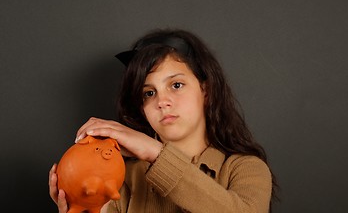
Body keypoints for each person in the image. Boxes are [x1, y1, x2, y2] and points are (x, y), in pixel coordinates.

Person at [49, 28, 278, 213]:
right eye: (149, 93)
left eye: (176, 85)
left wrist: (155, 153)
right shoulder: (122, 177)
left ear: (205, 91)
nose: (162, 101)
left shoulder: (246, 169)